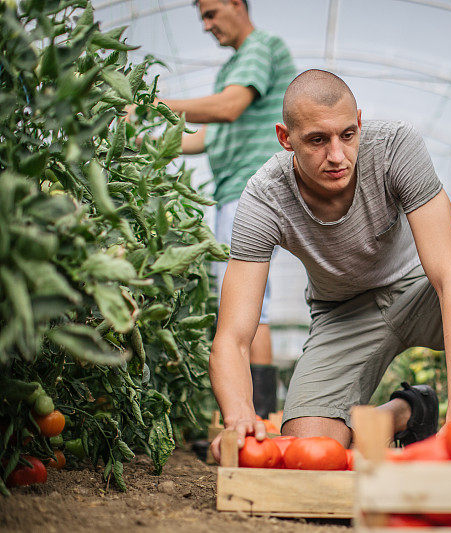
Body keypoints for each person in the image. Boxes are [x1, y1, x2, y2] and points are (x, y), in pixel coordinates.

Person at [209, 69, 451, 460]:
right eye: (317, 140)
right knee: (311, 448)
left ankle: (445, 413)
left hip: (421, 290)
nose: (336, 155)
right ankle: (409, 410)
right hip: (342, 314)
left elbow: (450, 279)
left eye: (347, 135)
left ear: (359, 123)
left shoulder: (395, 146)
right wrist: (240, 414)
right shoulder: (264, 199)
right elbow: (232, 336)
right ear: (286, 138)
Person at [157, 0, 296, 417]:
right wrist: (146, 144)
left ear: (238, 4)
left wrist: (153, 105)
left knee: (249, 305)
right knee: (248, 302)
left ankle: (258, 419)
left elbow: (228, 107)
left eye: (212, 13)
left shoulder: (259, 48)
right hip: (239, 190)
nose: (206, 25)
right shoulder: (236, 65)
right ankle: (257, 418)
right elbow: (205, 138)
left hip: (250, 190)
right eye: (202, 16)